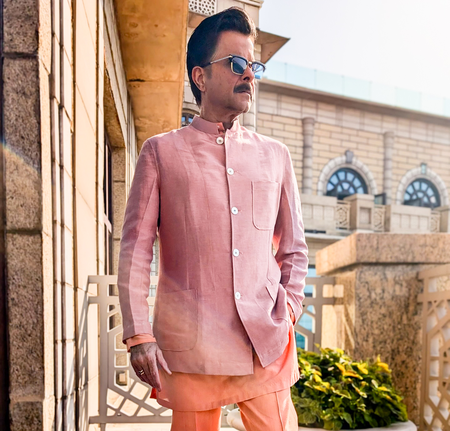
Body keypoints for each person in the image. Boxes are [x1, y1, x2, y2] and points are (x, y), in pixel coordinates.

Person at [117, 7, 308, 431]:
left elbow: (294, 248)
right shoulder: (161, 152)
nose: (249, 75)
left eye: (254, 66)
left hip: (264, 338)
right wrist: (139, 334)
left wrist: (290, 309)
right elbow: (135, 251)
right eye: (237, 64)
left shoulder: (276, 156)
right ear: (200, 77)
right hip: (193, 344)